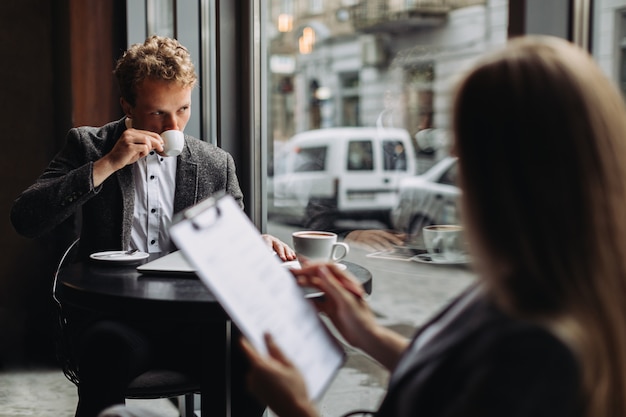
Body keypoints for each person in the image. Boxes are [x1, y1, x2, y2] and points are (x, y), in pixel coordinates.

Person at [240, 36, 626, 417]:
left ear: (513, 179)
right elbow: (457, 384)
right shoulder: (530, 286)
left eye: (465, 148)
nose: (454, 159)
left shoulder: (538, 353)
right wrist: (367, 333)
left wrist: (296, 408)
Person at [10, 35, 294, 417]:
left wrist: (255, 242)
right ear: (127, 105)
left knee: (250, 356)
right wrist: (108, 165)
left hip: (195, 322)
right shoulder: (90, 147)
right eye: (159, 113)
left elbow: (232, 247)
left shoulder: (215, 164)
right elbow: (26, 219)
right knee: (104, 352)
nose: (173, 125)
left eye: (183, 109)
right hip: (119, 320)